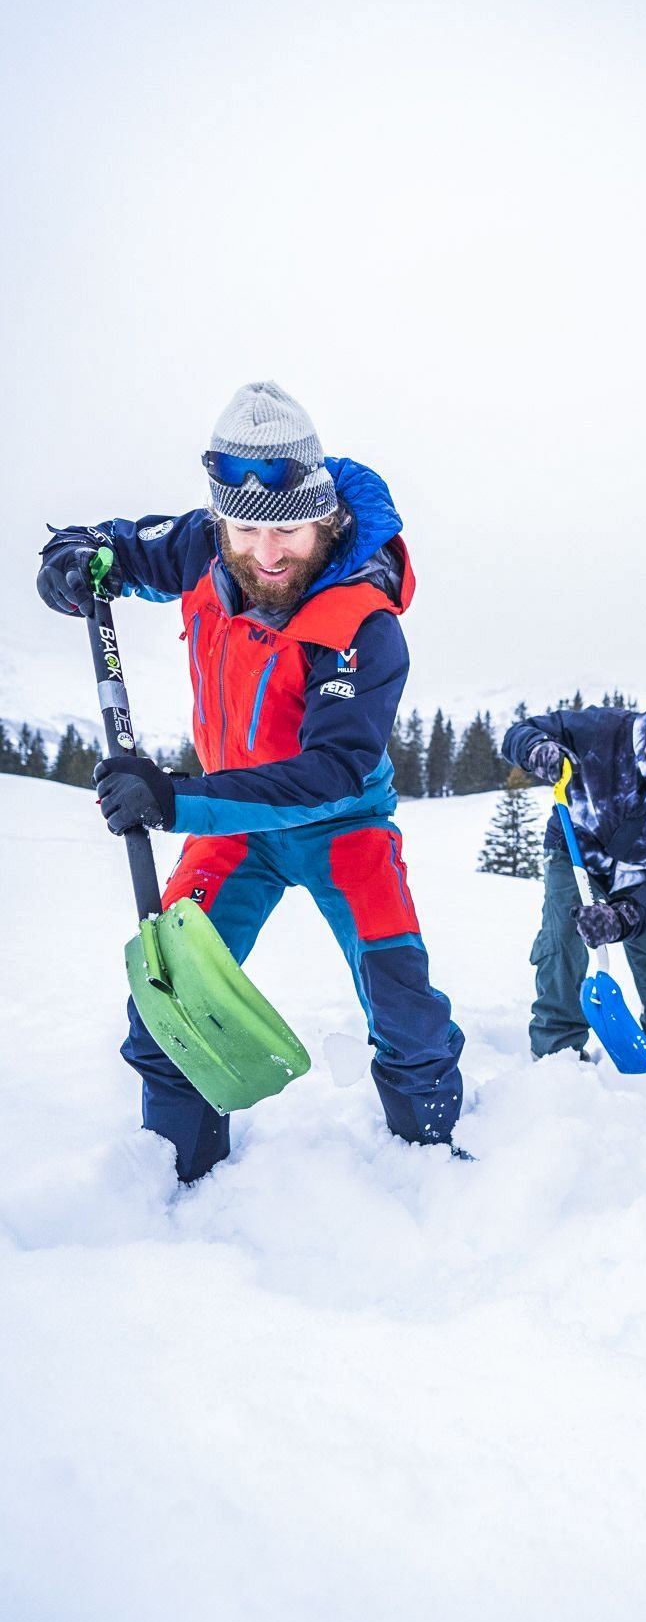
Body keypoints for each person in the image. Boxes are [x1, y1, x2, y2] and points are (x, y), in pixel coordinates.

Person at [37, 380, 465, 1182]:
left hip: (343, 826)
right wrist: (75, 558)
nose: (268, 554)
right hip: (234, 824)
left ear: (326, 515)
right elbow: (117, 548)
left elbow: (330, 773)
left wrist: (172, 800)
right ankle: (176, 1181)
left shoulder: (362, 626)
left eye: (292, 530)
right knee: (167, 1006)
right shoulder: (208, 544)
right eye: (246, 528)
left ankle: (431, 1171)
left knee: (406, 1013)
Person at [503, 677, 646, 1060]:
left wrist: (624, 916)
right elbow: (519, 733)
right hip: (578, 850)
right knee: (564, 938)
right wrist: (537, 749)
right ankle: (557, 1052)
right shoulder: (603, 731)